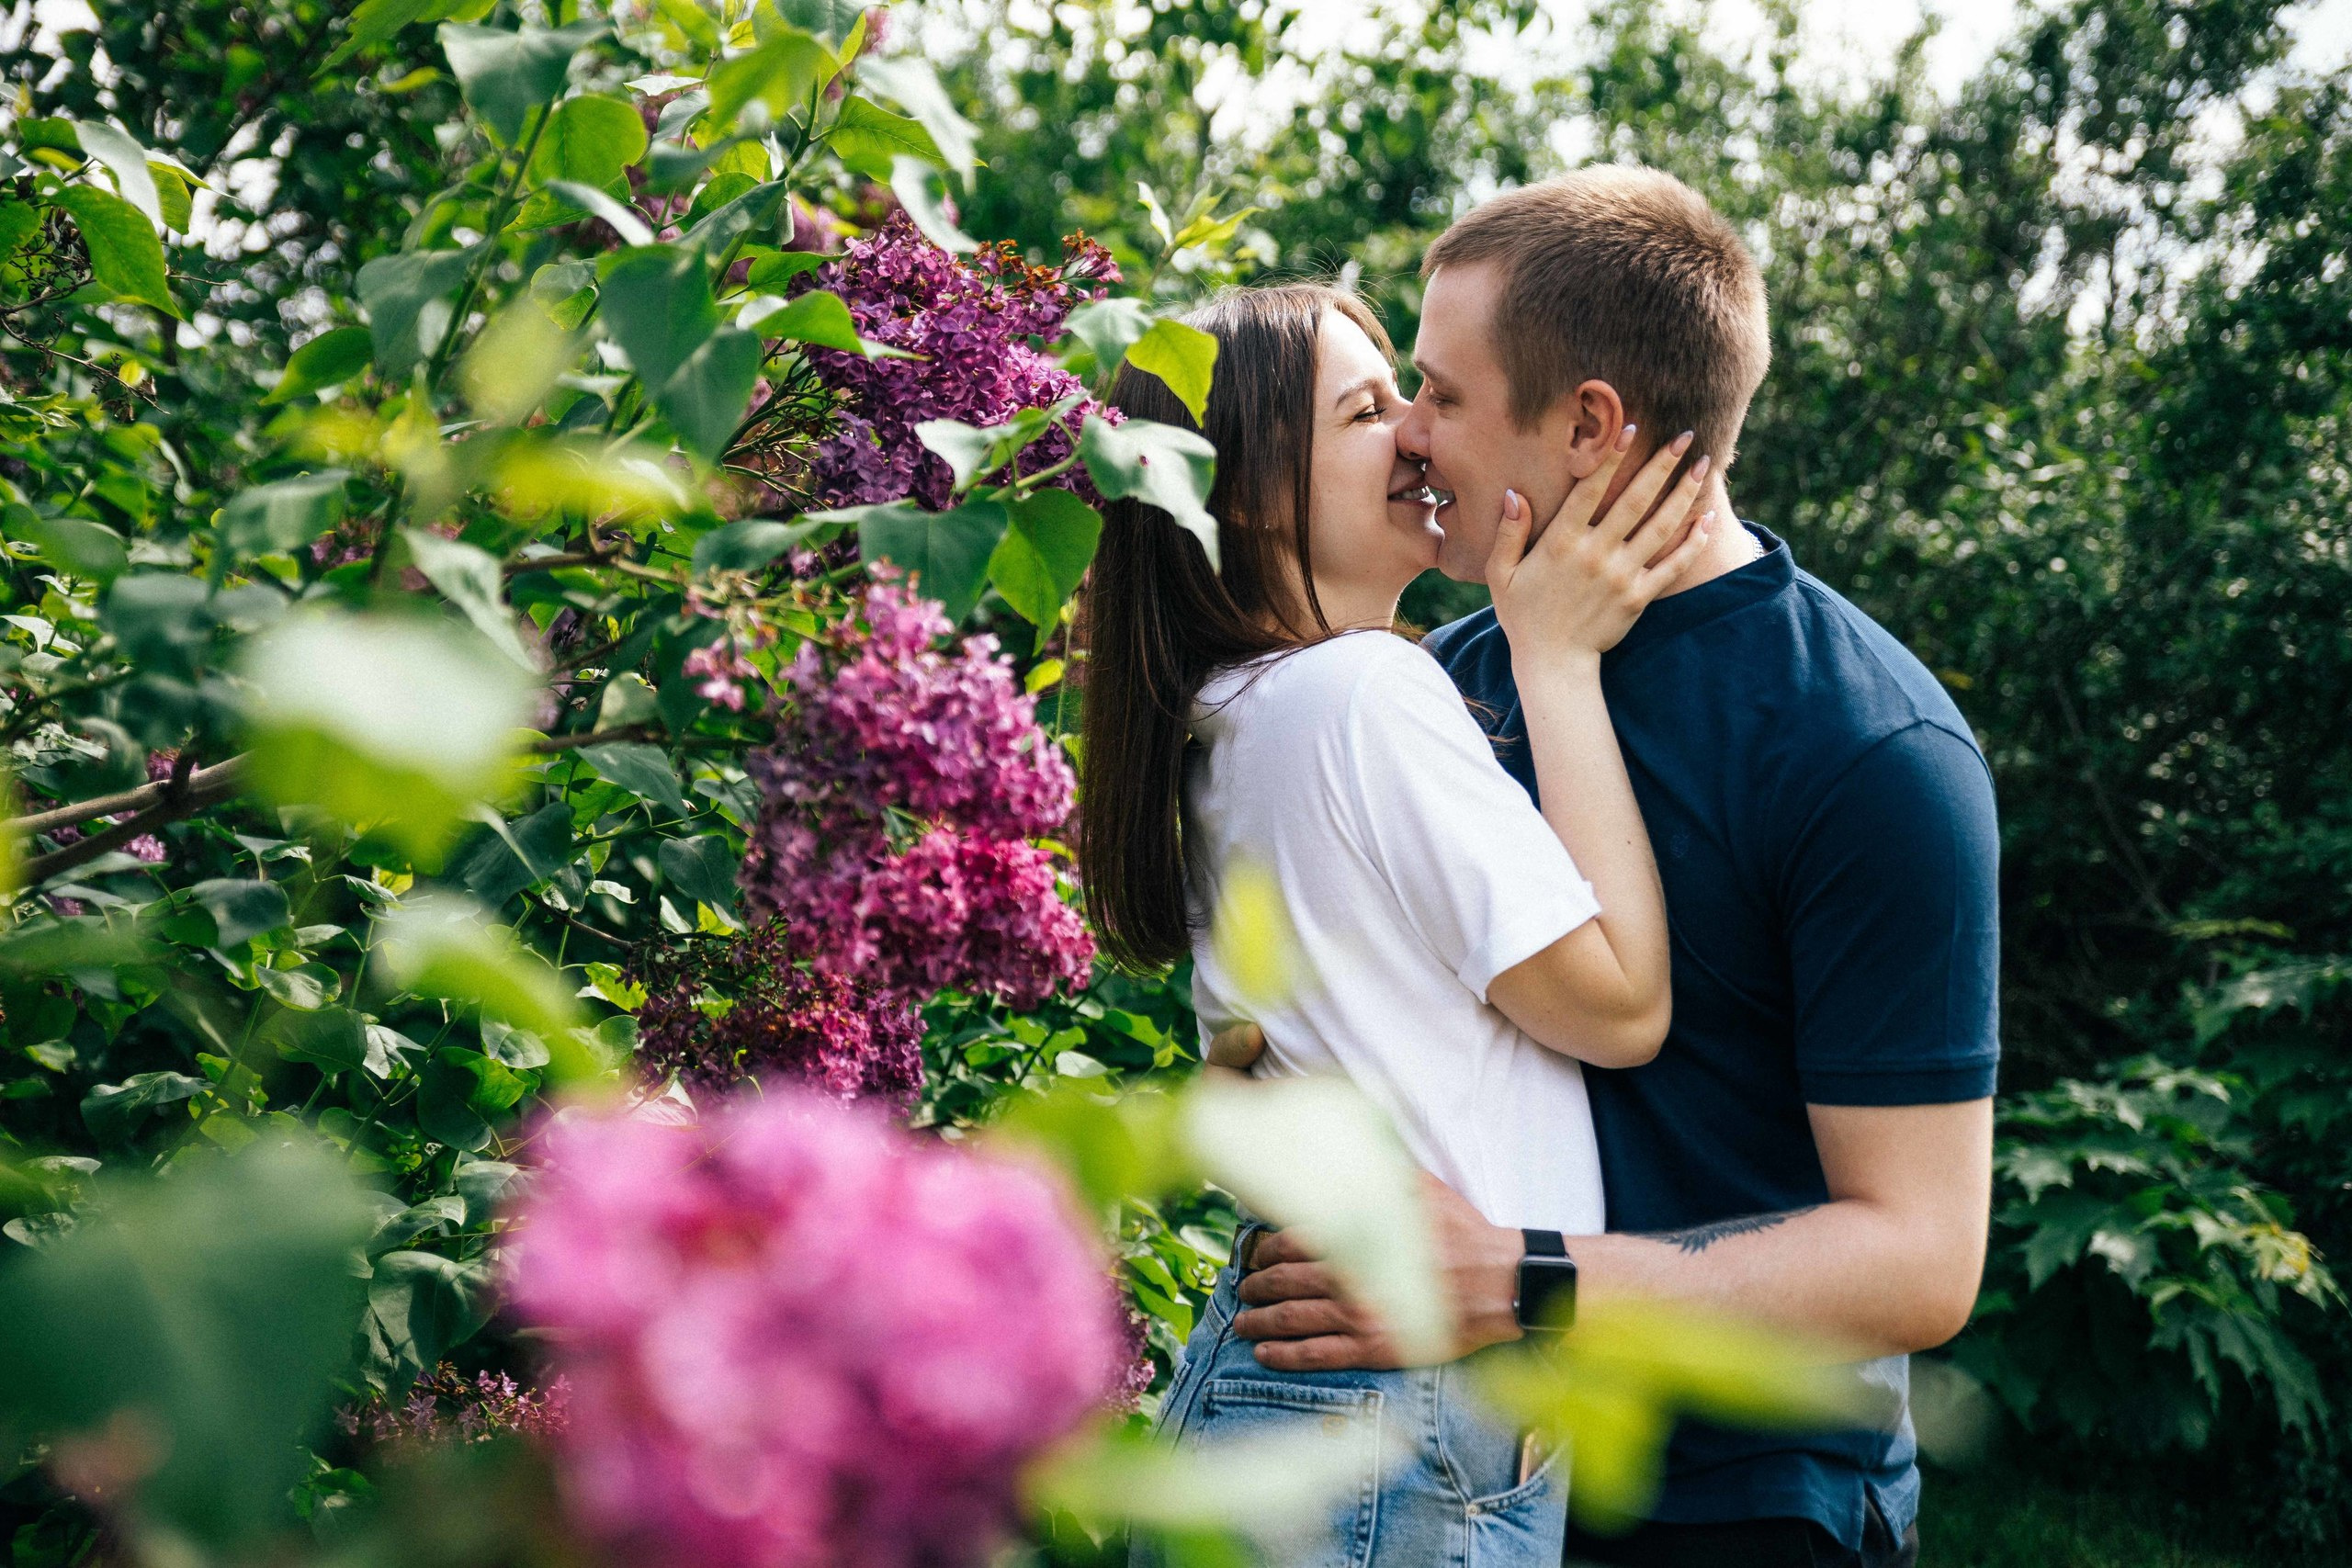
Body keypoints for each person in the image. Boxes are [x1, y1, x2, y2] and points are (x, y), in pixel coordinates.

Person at [1217, 167, 2000, 1568]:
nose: (1409, 433)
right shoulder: (1435, 689)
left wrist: (1524, 1286)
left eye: (1441, 393)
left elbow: (1922, 1258)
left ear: (1587, 425)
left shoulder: (1872, 751)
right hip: (1458, 1476)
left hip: (1743, 1507)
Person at [1078, 281, 1718, 1566]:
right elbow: (1621, 1007)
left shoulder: (1236, 711)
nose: (1418, 436)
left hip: (1330, 1401)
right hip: (1386, 1416)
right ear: (1245, 493)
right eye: (1369, 412)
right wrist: (1555, 660)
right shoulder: (1364, 694)